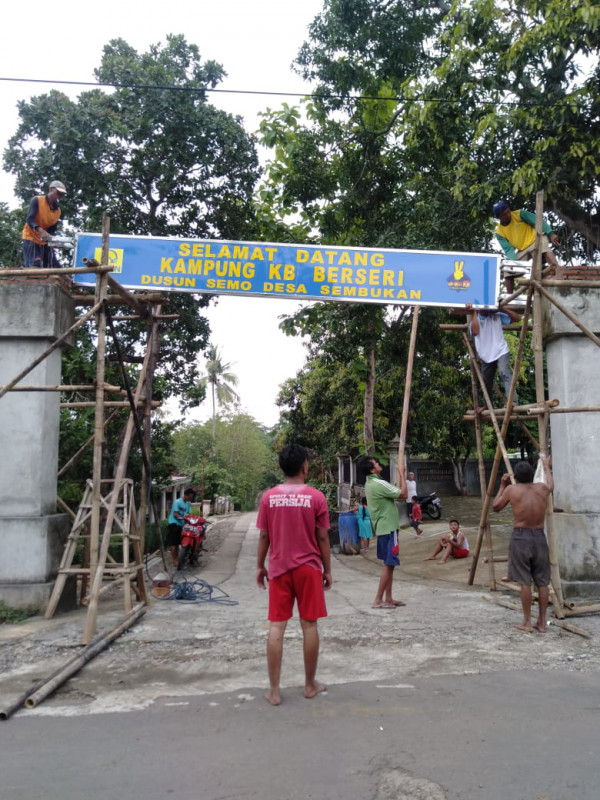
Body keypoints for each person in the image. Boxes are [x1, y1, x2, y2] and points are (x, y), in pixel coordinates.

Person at [256, 444, 331, 706]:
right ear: (304, 467)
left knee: (277, 627)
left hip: (278, 568)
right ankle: (310, 685)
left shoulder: (269, 497)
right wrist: (327, 569)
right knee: (309, 625)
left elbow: (264, 535)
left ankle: (274, 691)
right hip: (309, 569)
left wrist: (259, 566)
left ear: (281, 467)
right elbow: (322, 536)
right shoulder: (316, 497)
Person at [492, 456, 553, 633]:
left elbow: (495, 507)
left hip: (521, 537)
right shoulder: (541, 488)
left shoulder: (512, 489)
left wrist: (502, 486)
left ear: (516, 476)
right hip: (539, 537)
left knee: (525, 581)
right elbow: (551, 484)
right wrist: (547, 467)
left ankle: (527, 622)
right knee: (542, 582)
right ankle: (541, 622)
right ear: (533, 475)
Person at [358, 455, 407, 609]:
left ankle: (389, 598)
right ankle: (378, 600)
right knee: (388, 563)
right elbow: (403, 495)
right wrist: (402, 474)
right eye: (376, 463)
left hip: (383, 527)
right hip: (388, 527)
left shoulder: (370, 483)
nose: (379, 463)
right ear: (372, 469)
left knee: (390, 563)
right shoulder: (378, 483)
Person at [493, 200, 560, 293]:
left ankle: (559, 274)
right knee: (507, 270)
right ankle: (510, 297)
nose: (508, 214)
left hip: (536, 239)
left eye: (508, 211)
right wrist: (513, 263)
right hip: (523, 249)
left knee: (544, 250)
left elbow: (538, 221)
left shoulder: (520, 214)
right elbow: (509, 250)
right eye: (504, 214)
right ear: (499, 217)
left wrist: (550, 233)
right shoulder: (499, 233)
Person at [467, 302, 522, 410]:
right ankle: (488, 407)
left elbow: (517, 318)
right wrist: (473, 312)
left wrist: (503, 308)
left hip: (501, 351)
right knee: (486, 381)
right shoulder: (476, 319)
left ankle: (513, 402)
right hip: (486, 355)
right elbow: (475, 330)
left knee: (505, 373)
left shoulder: (497, 315)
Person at [21, 180, 67, 268]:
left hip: (44, 241)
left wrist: (54, 241)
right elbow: (30, 219)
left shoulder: (58, 211)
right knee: (36, 263)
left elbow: (52, 230)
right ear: (50, 189)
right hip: (30, 237)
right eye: (57, 193)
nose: (58, 196)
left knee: (55, 266)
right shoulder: (37, 200)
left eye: (61, 195)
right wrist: (40, 230)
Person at [166, 488, 196, 567]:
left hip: (181, 525)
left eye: (191, 498)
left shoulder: (187, 503)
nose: (190, 499)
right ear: (185, 495)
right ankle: (174, 560)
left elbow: (188, 514)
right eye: (189, 497)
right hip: (174, 524)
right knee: (174, 544)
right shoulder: (177, 502)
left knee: (179, 543)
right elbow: (175, 514)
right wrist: (183, 518)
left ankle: (179, 559)